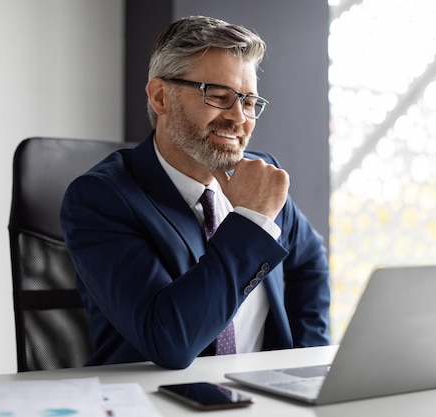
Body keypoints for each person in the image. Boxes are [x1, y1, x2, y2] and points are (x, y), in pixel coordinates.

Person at [60, 15, 330, 369]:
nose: (239, 118)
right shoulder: (101, 199)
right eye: (219, 97)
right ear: (160, 97)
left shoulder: (262, 175)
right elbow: (169, 341)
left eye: (249, 103)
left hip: (264, 395)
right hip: (157, 398)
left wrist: (305, 366)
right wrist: (250, 221)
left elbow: (308, 263)